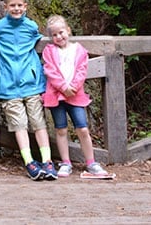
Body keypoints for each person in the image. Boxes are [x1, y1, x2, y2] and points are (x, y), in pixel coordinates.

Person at [0, 0, 56, 180]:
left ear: (25, 6)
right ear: (5, 7)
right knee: (19, 125)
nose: (16, 9)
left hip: (31, 84)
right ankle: (29, 162)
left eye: (19, 5)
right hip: (9, 87)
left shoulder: (31, 27)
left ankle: (47, 161)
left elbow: (37, 42)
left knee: (38, 123)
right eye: (12, 5)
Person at [42, 14, 114, 179]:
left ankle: (91, 162)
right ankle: (66, 162)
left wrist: (72, 86)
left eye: (61, 32)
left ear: (68, 30)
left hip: (75, 95)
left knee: (82, 128)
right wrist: (63, 87)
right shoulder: (49, 51)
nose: (59, 37)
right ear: (51, 37)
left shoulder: (79, 49)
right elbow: (50, 70)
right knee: (61, 129)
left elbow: (82, 69)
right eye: (54, 35)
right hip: (56, 95)